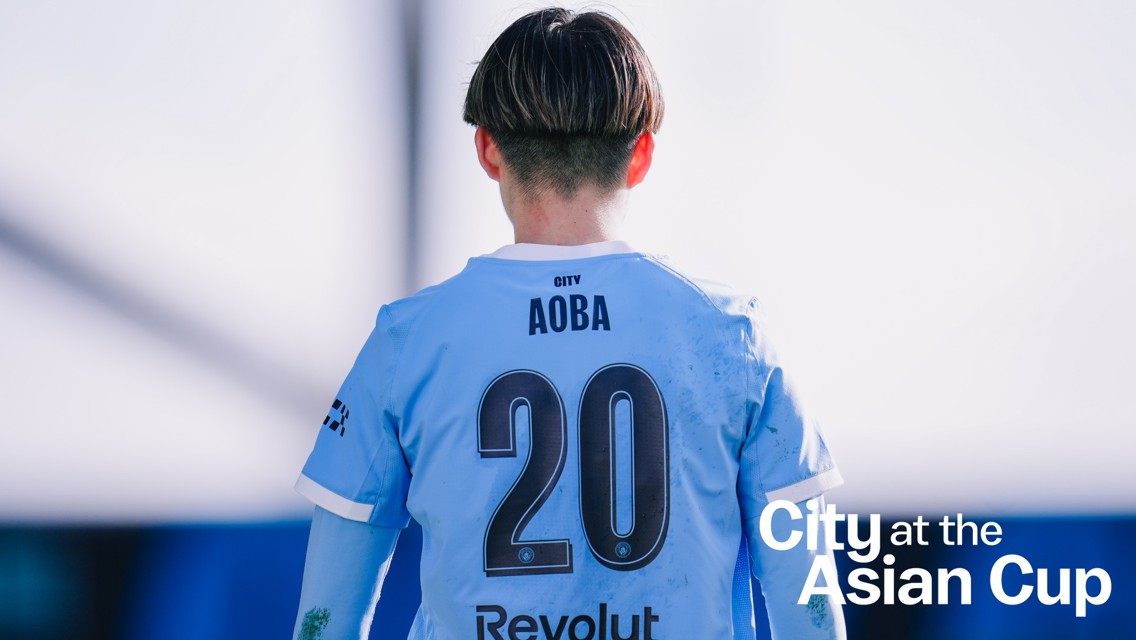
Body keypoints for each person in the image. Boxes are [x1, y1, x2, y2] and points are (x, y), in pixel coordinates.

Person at [292, 7, 845, 640]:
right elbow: (812, 614)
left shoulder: (406, 341)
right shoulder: (738, 338)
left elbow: (324, 621)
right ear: (641, 155)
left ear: (488, 149)